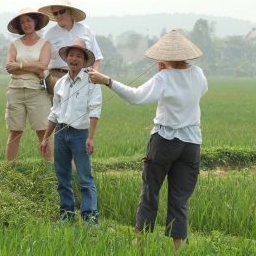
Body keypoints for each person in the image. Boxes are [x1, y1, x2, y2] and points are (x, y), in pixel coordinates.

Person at [88, 30, 208, 252]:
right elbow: (197, 93)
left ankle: (140, 245)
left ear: (166, 55)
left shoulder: (164, 77)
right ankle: (177, 250)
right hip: (191, 143)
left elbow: (135, 96)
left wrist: (107, 80)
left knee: (150, 191)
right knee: (180, 198)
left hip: (165, 140)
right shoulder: (199, 74)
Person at [40, 38, 102, 224]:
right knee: (62, 177)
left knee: (85, 178)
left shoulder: (92, 82)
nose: (74, 59)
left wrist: (91, 137)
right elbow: (54, 112)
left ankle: (90, 218)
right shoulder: (60, 84)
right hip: (61, 133)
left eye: (78, 56)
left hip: (80, 135)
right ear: (66, 58)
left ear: (84, 61)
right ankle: (66, 215)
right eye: (71, 55)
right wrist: (45, 138)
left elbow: (95, 109)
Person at [5, 8, 53, 162]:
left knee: (43, 131)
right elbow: (9, 68)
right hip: (15, 90)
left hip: (37, 91)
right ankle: (9, 168)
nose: (26, 24)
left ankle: (50, 167)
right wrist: (33, 67)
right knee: (15, 131)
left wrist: (19, 66)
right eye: (22, 21)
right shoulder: (15, 44)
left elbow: (42, 66)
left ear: (35, 22)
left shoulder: (45, 44)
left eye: (29, 20)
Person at [38, 0, 103, 94]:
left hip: (83, 78)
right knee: (58, 108)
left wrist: (93, 76)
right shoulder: (49, 35)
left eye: (61, 11)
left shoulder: (85, 30)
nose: (58, 16)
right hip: (57, 78)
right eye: (55, 13)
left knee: (83, 108)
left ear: (70, 11)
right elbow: (41, 60)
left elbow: (97, 57)